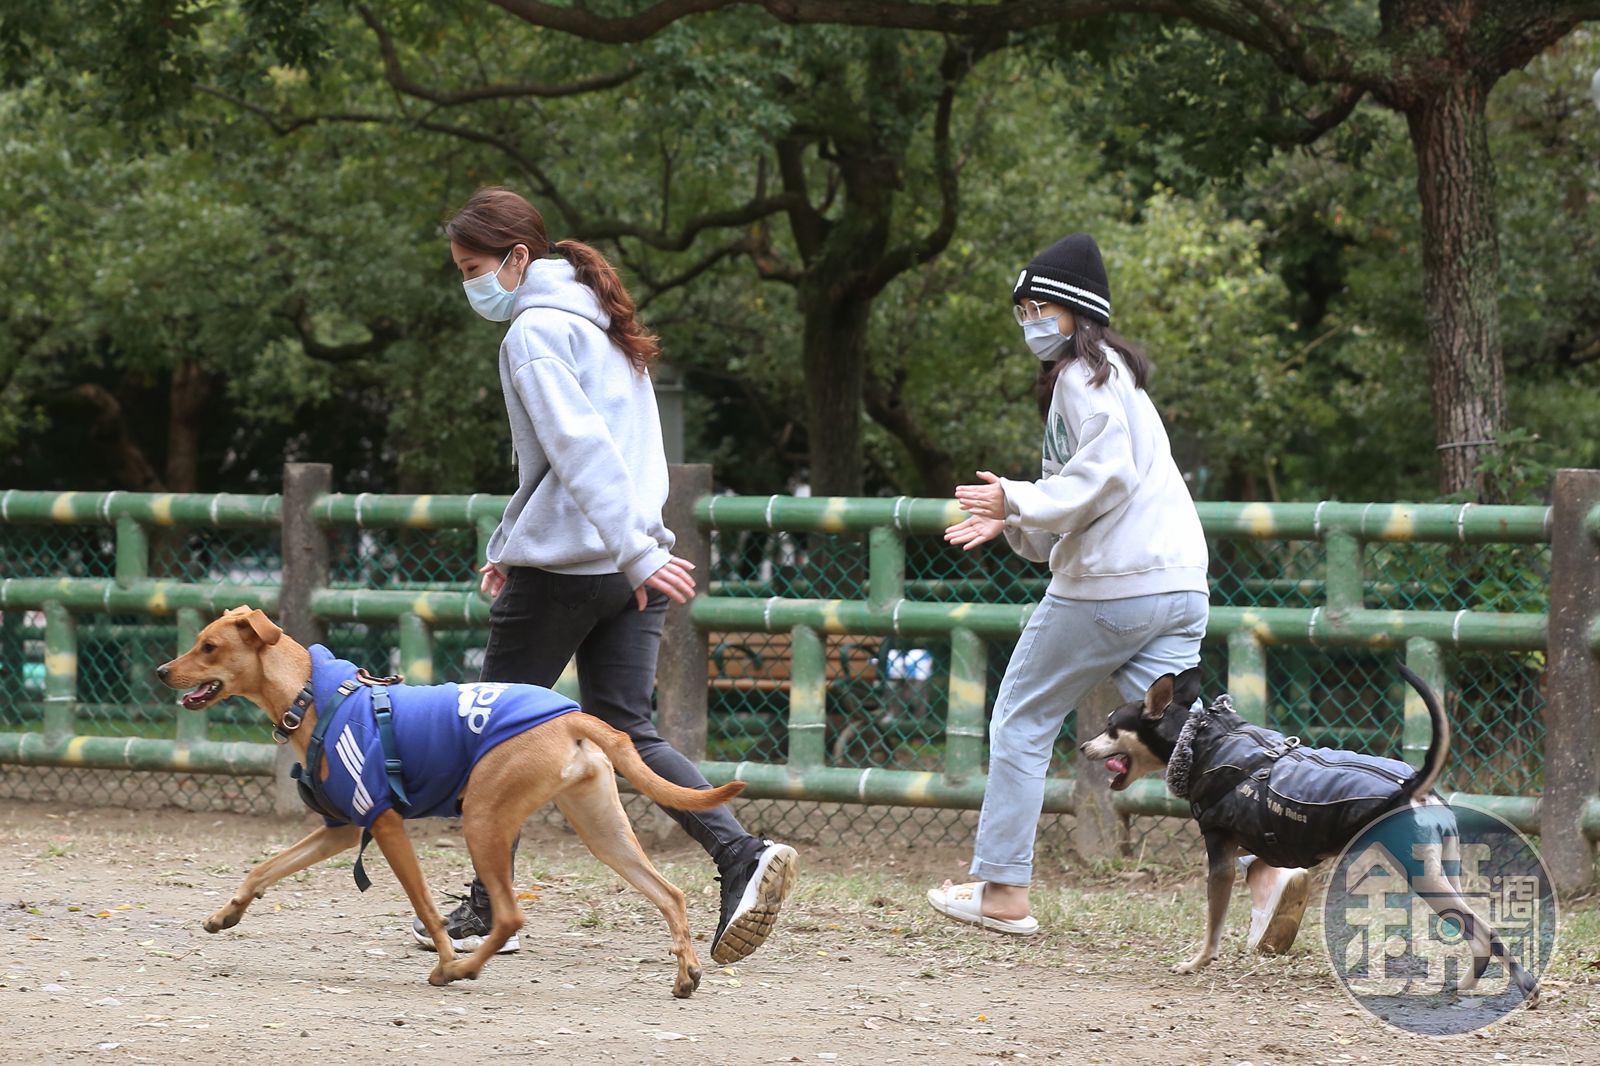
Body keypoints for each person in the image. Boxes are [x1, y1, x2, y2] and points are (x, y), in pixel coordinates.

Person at [421, 186, 796, 964]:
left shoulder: (533, 332)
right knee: (628, 727)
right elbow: (605, 458)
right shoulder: (602, 323)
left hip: (578, 567)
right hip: (629, 563)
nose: (470, 285)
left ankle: (490, 908)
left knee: (492, 734)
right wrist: (632, 551)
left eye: (474, 267)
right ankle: (740, 855)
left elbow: (580, 449)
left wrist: (623, 548)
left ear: (519, 258)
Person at [926, 232, 1308, 951]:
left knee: (1020, 717)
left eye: (1042, 306)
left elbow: (1103, 480)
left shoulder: (1081, 378)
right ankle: (1265, 869)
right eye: (1023, 309)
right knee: (1188, 735)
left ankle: (1003, 889)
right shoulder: (1121, 382)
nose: (1030, 321)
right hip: (1178, 584)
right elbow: (1086, 495)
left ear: (1076, 313)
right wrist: (1015, 514)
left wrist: (1012, 497)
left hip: (1112, 586)